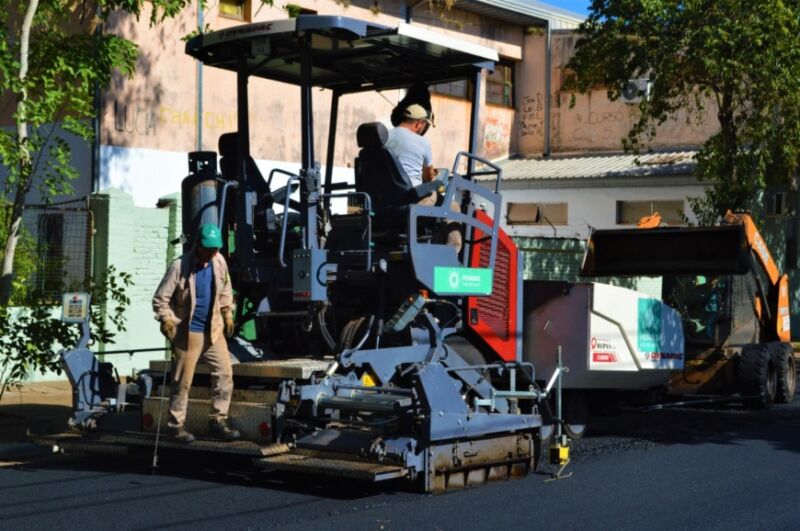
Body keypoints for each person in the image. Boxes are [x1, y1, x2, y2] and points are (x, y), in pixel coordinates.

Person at [152, 223, 240, 443]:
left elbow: (226, 291)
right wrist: (166, 319)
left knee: (224, 374)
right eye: (209, 249)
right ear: (198, 245)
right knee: (182, 381)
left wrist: (228, 313)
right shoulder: (179, 266)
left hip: (214, 330)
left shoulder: (219, 262)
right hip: (188, 331)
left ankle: (217, 421)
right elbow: (161, 298)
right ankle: (175, 426)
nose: (213, 253)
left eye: (216, 249)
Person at [385, 104, 462, 252]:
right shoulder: (422, 142)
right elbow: (428, 176)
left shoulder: (383, 138)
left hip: (383, 202)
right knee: (452, 206)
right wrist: (432, 178)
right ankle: (451, 253)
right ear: (419, 123)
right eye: (425, 125)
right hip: (410, 199)